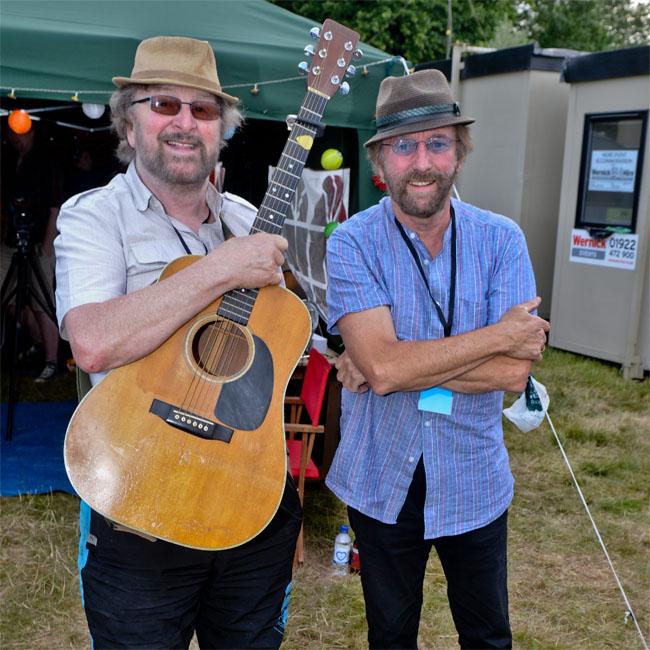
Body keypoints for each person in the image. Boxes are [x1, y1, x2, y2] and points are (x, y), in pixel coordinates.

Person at [54, 36, 301, 648]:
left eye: (204, 109)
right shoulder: (94, 216)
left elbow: (296, 339)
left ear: (223, 130)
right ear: (129, 124)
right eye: (165, 104)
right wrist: (222, 269)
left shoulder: (246, 220)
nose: (185, 123)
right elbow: (92, 343)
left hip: (249, 498)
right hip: (138, 500)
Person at [326, 69, 550, 650]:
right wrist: (498, 335)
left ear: (459, 153)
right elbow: (384, 371)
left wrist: (389, 362)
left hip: (473, 476)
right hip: (381, 475)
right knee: (391, 635)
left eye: (437, 143)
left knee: (487, 635)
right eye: (403, 146)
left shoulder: (502, 240)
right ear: (380, 160)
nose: (421, 162)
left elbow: (513, 373)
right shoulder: (351, 242)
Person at [1, 125, 61, 381]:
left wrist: (47, 244)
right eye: (11, 133)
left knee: (42, 302)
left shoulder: (46, 160)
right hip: (11, 240)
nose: (15, 138)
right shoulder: (9, 158)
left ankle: (52, 361)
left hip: (39, 241)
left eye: (20, 132)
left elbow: (55, 205)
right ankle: (37, 345)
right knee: (7, 296)